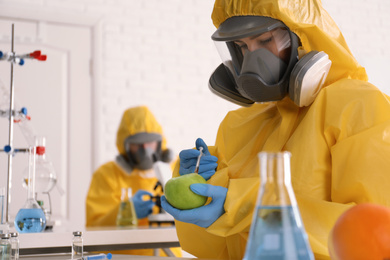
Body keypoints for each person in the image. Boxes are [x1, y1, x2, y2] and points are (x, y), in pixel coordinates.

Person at [161, 0, 390, 259]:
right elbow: (217, 252)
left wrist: (240, 206)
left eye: (264, 41)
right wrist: (200, 195)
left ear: (302, 38)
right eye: (241, 47)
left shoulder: (359, 107)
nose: (251, 59)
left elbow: (372, 234)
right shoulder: (238, 124)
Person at [86, 105, 181, 257]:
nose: (145, 151)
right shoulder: (107, 174)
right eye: (137, 145)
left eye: (150, 143)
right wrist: (124, 212)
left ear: (159, 142)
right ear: (125, 145)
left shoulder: (174, 168)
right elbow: (93, 228)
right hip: (125, 256)